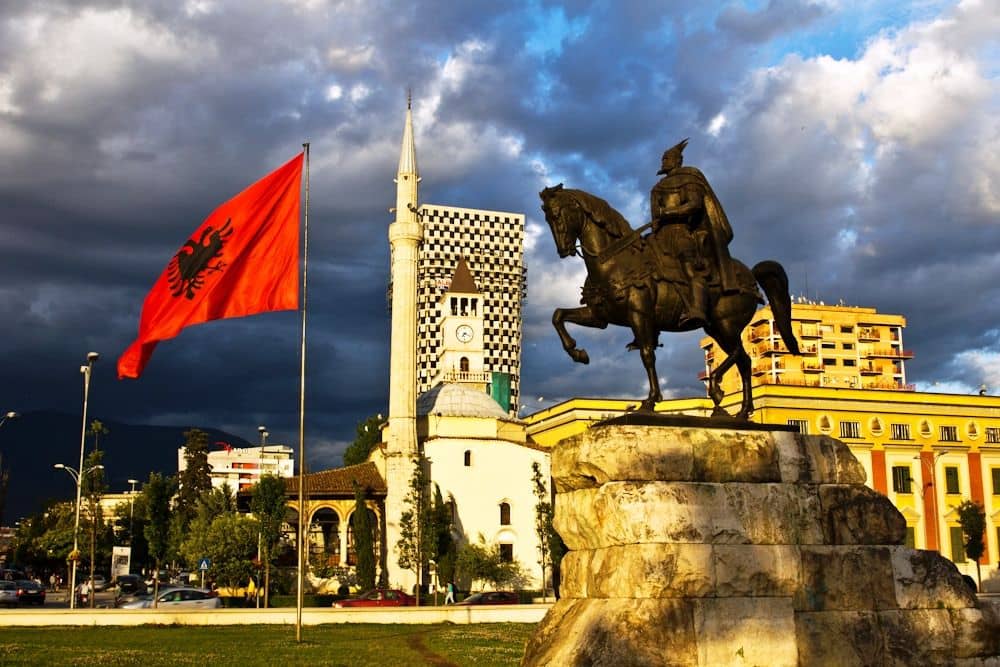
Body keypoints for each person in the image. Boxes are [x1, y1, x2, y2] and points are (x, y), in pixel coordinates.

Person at [649, 138, 737, 328]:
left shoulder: (689, 179)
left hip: (681, 233)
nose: (663, 162)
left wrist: (668, 213)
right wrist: (655, 225)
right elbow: (655, 215)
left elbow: (695, 205)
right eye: (663, 159)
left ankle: (697, 309)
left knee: (690, 268)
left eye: (667, 158)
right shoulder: (656, 188)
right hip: (660, 236)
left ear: (677, 161)